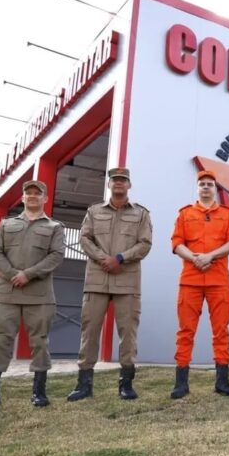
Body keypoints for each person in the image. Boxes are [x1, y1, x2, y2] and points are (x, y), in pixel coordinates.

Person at [0, 180, 65, 410]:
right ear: (22, 198)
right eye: (28, 193)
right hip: (6, 292)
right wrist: (12, 274)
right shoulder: (6, 224)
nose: (32, 196)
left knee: (40, 341)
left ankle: (39, 391)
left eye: (37, 194)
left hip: (39, 294)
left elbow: (56, 256)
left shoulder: (54, 227)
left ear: (45, 199)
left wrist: (28, 274)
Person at [67, 168, 153, 401]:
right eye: (115, 180)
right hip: (97, 278)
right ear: (109, 184)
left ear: (129, 185)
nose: (118, 184)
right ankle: (84, 385)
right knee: (90, 331)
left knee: (128, 333)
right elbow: (84, 238)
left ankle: (126, 385)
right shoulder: (94, 211)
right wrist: (102, 258)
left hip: (127, 280)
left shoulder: (141, 214)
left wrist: (121, 258)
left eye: (123, 180)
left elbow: (145, 243)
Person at [169, 170, 229, 399]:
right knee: (185, 331)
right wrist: (195, 258)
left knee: (221, 331)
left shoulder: (227, 215)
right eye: (202, 184)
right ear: (198, 188)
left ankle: (223, 381)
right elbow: (177, 243)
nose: (206, 187)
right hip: (191, 280)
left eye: (210, 184)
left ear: (215, 189)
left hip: (218, 280)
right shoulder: (185, 214)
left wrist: (210, 256)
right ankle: (181, 383)